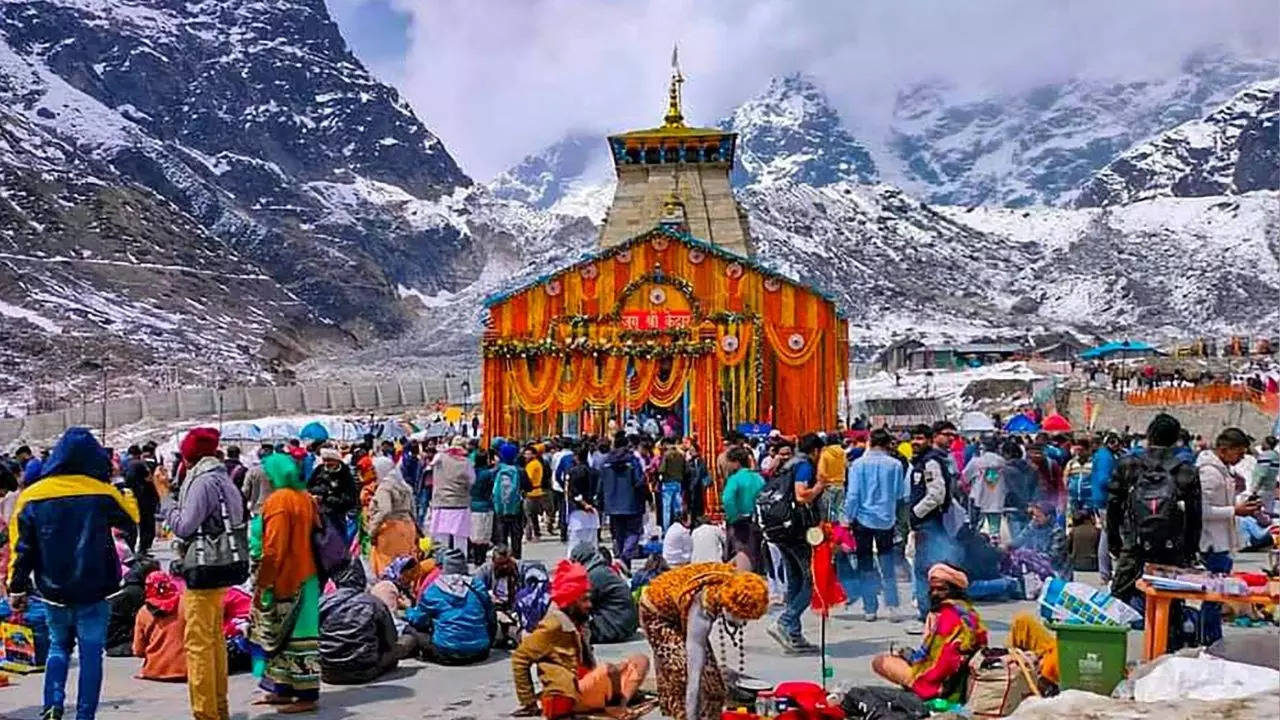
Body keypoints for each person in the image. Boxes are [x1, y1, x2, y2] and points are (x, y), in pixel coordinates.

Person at [7, 427, 139, 720]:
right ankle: (84, 714)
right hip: (95, 589)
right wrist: (119, 484)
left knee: (58, 646)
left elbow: (22, 549)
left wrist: (16, 587)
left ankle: (53, 705)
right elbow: (132, 523)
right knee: (91, 654)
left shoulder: (31, 496)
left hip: (53, 591)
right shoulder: (102, 492)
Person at [167, 427, 246, 720]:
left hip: (202, 569)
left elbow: (185, 526)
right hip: (220, 567)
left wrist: (166, 500)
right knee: (213, 641)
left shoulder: (201, 482)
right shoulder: (224, 478)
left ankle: (205, 713)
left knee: (198, 644)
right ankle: (219, 708)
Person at [510, 560, 650, 718]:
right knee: (609, 670)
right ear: (570, 603)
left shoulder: (580, 621)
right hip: (568, 694)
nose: (589, 605)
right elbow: (519, 658)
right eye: (584, 600)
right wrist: (528, 701)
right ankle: (616, 705)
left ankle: (617, 700)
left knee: (640, 661)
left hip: (587, 684)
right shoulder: (553, 624)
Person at [639, 563, 769, 720]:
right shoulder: (703, 606)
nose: (742, 623)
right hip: (657, 612)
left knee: (714, 685)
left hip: (681, 606)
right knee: (681, 673)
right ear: (729, 606)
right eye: (740, 617)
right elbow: (694, 673)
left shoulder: (735, 584)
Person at [1107, 414, 1202, 609]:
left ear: (1149, 435)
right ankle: (1168, 637)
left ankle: (1116, 638)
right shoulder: (1186, 470)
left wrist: (1114, 541)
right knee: (1170, 603)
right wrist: (1190, 550)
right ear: (1177, 439)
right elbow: (1194, 515)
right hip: (1171, 547)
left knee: (1117, 602)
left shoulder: (1128, 464)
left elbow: (1113, 505)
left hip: (1135, 544)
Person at [250, 454, 321, 713]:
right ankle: (282, 690)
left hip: (287, 580)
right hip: (307, 577)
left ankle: (305, 697)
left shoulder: (279, 501)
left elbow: (274, 549)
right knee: (287, 638)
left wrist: (262, 584)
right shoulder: (305, 497)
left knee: (294, 640)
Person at [870, 564, 988, 702]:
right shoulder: (969, 612)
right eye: (932, 589)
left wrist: (920, 676)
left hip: (940, 685)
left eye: (941, 589)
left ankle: (917, 691)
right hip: (959, 678)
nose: (935, 593)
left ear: (955, 590)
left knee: (881, 662)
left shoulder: (948, 616)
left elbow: (945, 664)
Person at [1196, 428, 1259, 646]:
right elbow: (1203, 511)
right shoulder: (1209, 473)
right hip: (1212, 543)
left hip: (1223, 541)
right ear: (1224, 450)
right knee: (1212, 599)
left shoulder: (1222, 471)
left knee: (1217, 598)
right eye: (1238, 453)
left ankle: (1212, 639)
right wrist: (1235, 511)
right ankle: (1208, 640)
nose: (1241, 458)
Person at [843, 428, 909, 622]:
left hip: (862, 519)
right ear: (888, 443)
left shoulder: (857, 464)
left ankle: (870, 608)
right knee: (887, 562)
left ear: (870, 441)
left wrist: (847, 518)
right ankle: (893, 607)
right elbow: (899, 494)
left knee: (865, 564)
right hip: (886, 519)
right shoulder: (895, 465)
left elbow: (853, 495)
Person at [768, 434, 825, 653]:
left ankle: (794, 634)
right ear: (816, 451)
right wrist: (819, 487)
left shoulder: (785, 466)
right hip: (797, 532)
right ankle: (784, 621)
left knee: (795, 581)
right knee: (812, 582)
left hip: (782, 530)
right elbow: (801, 496)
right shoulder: (803, 466)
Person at [318, 559, 415, 684]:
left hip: (329, 672)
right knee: (409, 639)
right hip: (365, 670)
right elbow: (391, 639)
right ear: (362, 578)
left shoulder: (323, 602)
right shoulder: (374, 603)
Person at [906, 424, 957, 626]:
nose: (915, 442)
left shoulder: (931, 463)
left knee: (924, 570)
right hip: (926, 524)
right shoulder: (923, 461)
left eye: (920, 438)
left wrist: (916, 512)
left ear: (929, 439)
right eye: (913, 438)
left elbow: (936, 494)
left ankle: (927, 614)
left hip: (929, 523)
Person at [407, 547, 494, 664]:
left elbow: (419, 620)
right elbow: (491, 616)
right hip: (480, 651)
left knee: (412, 630)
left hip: (447, 653)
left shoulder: (434, 590)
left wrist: (408, 611)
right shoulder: (477, 586)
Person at [568, 542, 639, 643]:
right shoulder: (602, 569)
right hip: (623, 622)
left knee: (566, 634)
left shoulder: (595, 574)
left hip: (614, 626)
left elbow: (578, 602)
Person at [132, 570, 188, 682]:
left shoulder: (144, 611)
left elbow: (138, 650)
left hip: (154, 671)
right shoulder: (186, 604)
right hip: (186, 670)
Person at [599, 433, 647, 562]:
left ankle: (622, 558)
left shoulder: (605, 462)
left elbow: (600, 485)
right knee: (633, 533)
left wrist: (601, 504)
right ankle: (627, 554)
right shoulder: (632, 461)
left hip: (612, 506)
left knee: (618, 535)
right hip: (632, 504)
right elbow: (639, 482)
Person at [368, 455, 418, 578]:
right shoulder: (405, 486)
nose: (373, 473)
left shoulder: (385, 487)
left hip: (390, 530)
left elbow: (385, 510)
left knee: (387, 568)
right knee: (404, 567)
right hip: (408, 528)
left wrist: (372, 530)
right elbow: (413, 511)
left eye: (374, 470)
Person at [720, 446, 765, 572]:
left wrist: (733, 516)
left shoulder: (734, 479)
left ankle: (743, 583)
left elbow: (727, 499)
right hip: (757, 521)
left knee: (742, 554)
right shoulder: (758, 478)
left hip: (740, 523)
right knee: (756, 553)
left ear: (736, 463)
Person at [430, 436, 474, 553]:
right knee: (460, 540)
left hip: (440, 503)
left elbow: (430, 466)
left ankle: (441, 564)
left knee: (441, 540)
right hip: (460, 505)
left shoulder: (439, 458)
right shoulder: (466, 463)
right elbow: (472, 481)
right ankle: (459, 565)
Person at [1006, 501, 1070, 581]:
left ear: (1048, 517)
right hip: (1039, 568)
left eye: (1038, 516)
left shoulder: (1057, 532)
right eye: (1033, 515)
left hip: (1057, 572)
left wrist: (1029, 555)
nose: (1034, 518)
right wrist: (1006, 546)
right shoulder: (1033, 525)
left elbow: (1052, 557)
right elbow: (1020, 539)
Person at [307, 447, 358, 543]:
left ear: (337, 461)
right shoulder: (319, 470)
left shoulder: (345, 474)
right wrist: (320, 493)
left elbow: (350, 497)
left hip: (337, 515)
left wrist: (328, 497)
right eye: (325, 460)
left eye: (330, 460)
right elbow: (309, 487)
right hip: (318, 512)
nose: (327, 463)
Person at [1091, 433, 1122, 581]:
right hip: (1105, 500)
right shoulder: (1105, 457)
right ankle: (1105, 572)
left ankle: (1105, 571)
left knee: (1107, 533)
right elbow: (1104, 480)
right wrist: (1120, 485)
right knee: (1108, 534)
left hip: (1100, 499)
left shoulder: (1102, 455)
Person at [964, 436, 1007, 535]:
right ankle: (995, 544)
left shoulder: (976, 462)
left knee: (975, 529)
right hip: (997, 499)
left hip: (978, 499)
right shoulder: (1002, 462)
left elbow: (965, 477)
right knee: (994, 530)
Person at [493, 443, 528, 559]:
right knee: (516, 535)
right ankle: (516, 559)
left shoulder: (496, 470)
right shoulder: (520, 471)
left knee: (501, 535)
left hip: (500, 508)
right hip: (516, 507)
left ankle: (502, 558)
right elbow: (529, 487)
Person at [565, 446, 601, 552]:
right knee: (592, 541)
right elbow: (599, 490)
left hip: (577, 512)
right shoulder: (595, 472)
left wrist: (583, 503)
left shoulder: (572, 471)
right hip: (593, 511)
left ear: (576, 457)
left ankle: (574, 562)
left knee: (575, 541)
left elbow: (572, 492)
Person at [470, 449, 496, 566]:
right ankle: (482, 558)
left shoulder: (471, 473)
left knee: (474, 535)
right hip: (486, 506)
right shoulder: (488, 474)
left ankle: (476, 559)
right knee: (485, 535)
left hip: (472, 506)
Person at [658, 439, 687, 533]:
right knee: (677, 507)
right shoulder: (681, 455)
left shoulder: (666, 455)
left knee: (666, 508)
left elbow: (661, 469)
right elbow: (686, 470)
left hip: (667, 483)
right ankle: (678, 528)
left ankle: (666, 530)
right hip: (678, 482)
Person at [522, 445, 548, 542]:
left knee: (529, 514)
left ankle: (532, 534)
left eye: (528, 454)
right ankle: (534, 533)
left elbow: (528, 479)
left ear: (534, 454)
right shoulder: (537, 463)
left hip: (531, 492)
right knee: (533, 515)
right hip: (537, 491)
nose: (526, 456)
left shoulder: (532, 465)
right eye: (525, 454)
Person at [1063, 438, 1093, 519]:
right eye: (1077, 450)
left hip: (1089, 498)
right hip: (1073, 498)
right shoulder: (1071, 463)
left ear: (1088, 450)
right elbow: (1065, 476)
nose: (1079, 453)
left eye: (1081, 450)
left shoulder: (1094, 463)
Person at [1251, 436, 1278, 515]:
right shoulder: (1276, 456)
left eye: (1263, 442)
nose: (1261, 444)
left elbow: (1262, 473)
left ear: (1267, 444)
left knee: (1256, 513)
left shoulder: (1266, 455)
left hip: (1262, 489)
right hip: (1271, 489)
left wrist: (1255, 489)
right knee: (1267, 513)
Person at [685, 443, 710, 521]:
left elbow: (704, 473)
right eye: (690, 451)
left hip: (699, 488)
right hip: (690, 488)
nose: (691, 452)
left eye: (693, 450)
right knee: (691, 507)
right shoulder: (689, 462)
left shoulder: (701, 461)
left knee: (699, 507)